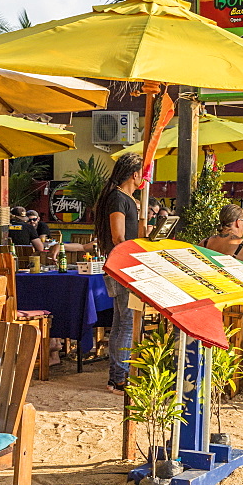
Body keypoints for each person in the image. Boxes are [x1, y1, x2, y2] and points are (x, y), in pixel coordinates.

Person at [93, 152, 145, 396]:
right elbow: (118, 236)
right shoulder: (118, 199)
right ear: (134, 174)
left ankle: (117, 375)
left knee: (120, 322)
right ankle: (119, 377)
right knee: (126, 322)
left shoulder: (124, 198)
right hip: (123, 267)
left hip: (123, 266)